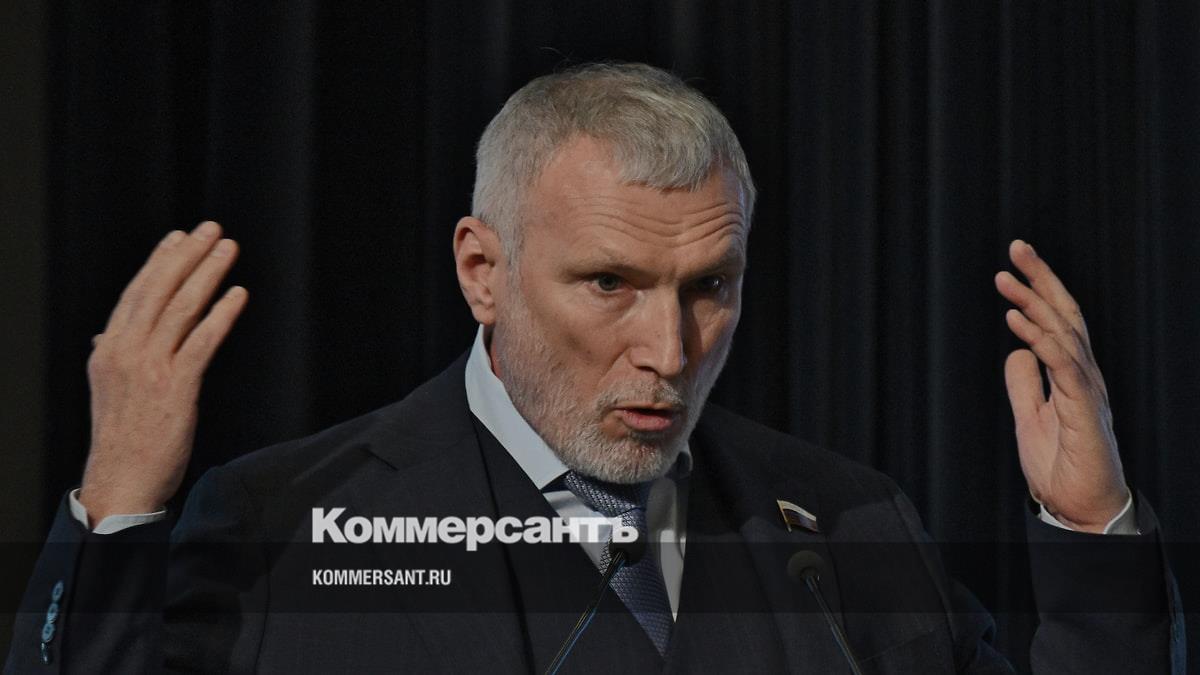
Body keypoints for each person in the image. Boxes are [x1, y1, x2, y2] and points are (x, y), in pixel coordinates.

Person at [7, 63, 1182, 673]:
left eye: (709, 288)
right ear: (483, 270)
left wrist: (1092, 534)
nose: (669, 353)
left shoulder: (851, 524)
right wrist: (117, 510)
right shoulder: (288, 525)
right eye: (609, 284)